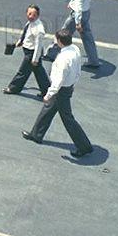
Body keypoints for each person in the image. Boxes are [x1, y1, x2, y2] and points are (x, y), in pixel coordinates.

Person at [23, 29, 94, 158]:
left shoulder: (63, 59)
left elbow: (58, 81)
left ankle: (84, 146)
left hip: (61, 91)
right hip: (68, 87)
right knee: (48, 110)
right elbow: (78, 70)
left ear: (60, 41)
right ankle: (36, 134)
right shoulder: (75, 50)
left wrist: (48, 94)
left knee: (67, 118)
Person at [46, 0, 100, 68]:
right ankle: (94, 60)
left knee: (63, 33)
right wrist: (71, 3)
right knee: (87, 37)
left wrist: (78, 22)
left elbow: (79, 4)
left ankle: (51, 54)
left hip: (77, 15)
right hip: (86, 12)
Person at [3, 4, 50, 97]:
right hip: (28, 50)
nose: (31, 16)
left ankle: (13, 88)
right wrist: (20, 42)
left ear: (38, 15)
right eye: (29, 14)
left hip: (32, 53)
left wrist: (35, 59)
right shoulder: (30, 23)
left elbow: (38, 45)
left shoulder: (39, 29)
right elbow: (26, 33)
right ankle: (47, 92)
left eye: (33, 15)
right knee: (40, 73)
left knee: (22, 72)